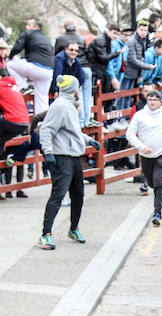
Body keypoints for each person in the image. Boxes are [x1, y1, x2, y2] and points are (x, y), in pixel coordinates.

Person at [38, 75, 101, 249]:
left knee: (78, 194)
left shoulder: (69, 106)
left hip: (73, 156)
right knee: (58, 195)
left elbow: (71, 131)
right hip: (61, 156)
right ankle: (46, 233)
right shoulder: (60, 106)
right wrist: (48, 152)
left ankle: (73, 228)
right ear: (73, 89)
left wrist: (88, 140)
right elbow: (46, 129)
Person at [126, 89, 162, 226]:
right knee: (152, 183)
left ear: (160, 101)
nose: (152, 102)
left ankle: (157, 213)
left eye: (155, 99)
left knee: (157, 182)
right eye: (150, 99)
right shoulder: (140, 115)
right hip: (146, 155)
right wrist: (141, 147)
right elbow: (130, 134)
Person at [7, 18, 54, 114]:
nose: (26, 27)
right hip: (48, 71)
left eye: (28, 25)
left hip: (35, 66)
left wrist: (9, 57)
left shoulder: (28, 33)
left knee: (10, 64)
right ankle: (41, 124)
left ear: (35, 27)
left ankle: (24, 86)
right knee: (42, 99)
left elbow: (17, 47)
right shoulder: (46, 38)